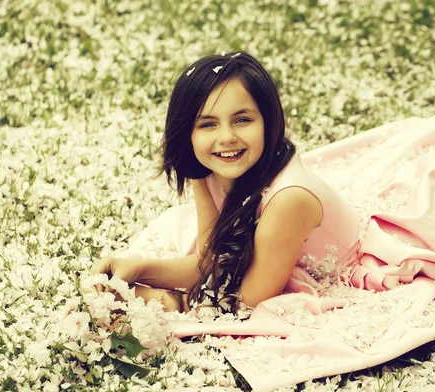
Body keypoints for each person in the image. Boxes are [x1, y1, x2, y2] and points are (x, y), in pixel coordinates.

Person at [90, 51, 361, 313]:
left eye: (242, 120)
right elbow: (210, 262)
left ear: (269, 121)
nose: (226, 137)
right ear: (188, 133)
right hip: (269, 263)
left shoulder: (289, 201)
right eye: (208, 124)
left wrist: (161, 300)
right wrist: (135, 270)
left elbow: (247, 302)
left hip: (323, 272)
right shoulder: (209, 167)